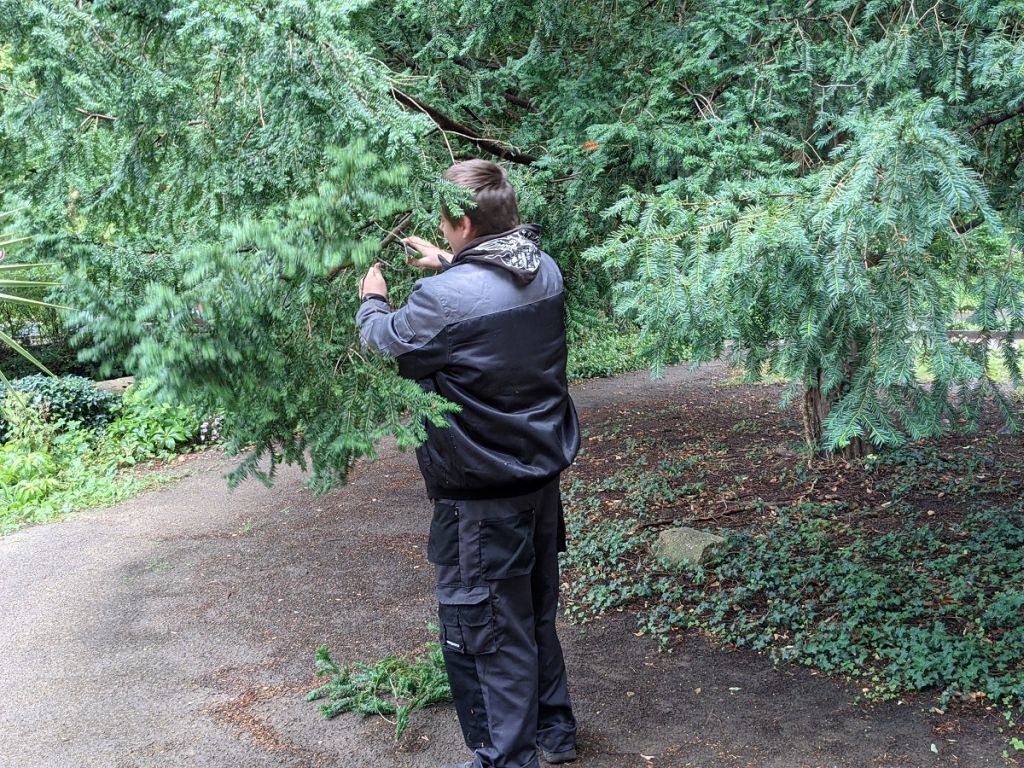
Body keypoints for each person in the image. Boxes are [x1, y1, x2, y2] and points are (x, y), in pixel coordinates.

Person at [356, 159, 580, 768]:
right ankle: (555, 733)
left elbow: (393, 343)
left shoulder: (444, 300)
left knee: (483, 632)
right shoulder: (546, 270)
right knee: (531, 612)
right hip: (538, 480)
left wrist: (372, 302)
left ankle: (502, 758)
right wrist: (452, 264)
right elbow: (490, 296)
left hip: (482, 497)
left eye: (445, 220)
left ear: (459, 220)